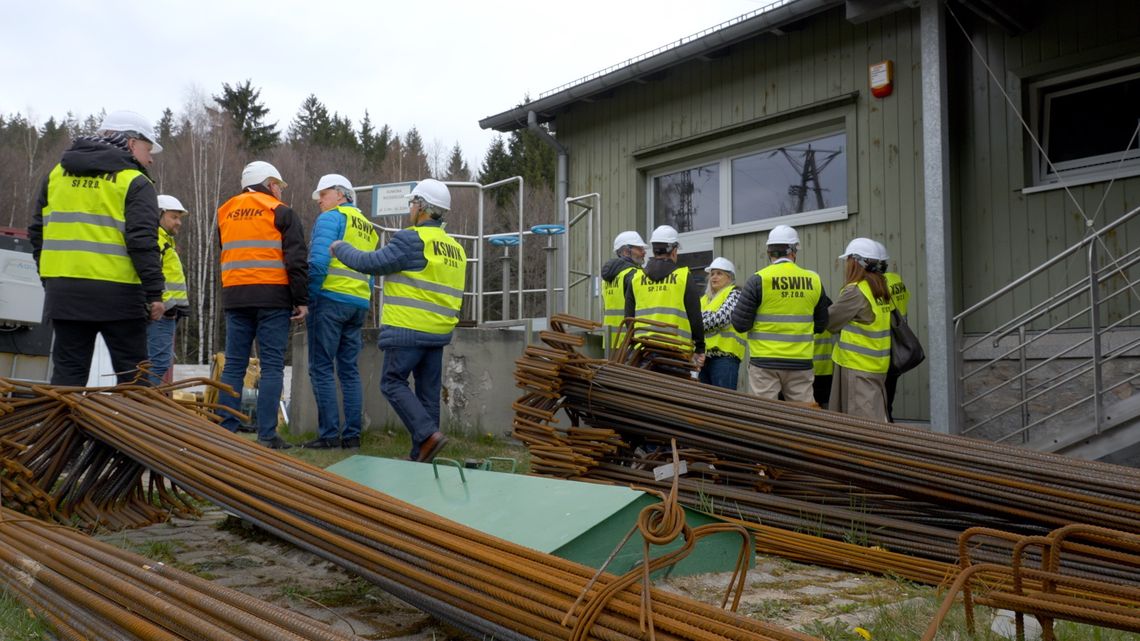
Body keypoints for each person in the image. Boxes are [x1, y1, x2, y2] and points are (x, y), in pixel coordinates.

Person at [331, 179, 464, 463]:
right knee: (427, 393)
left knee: (392, 382)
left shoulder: (411, 239)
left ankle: (427, 435)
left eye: (412, 203)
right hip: (438, 332)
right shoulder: (455, 248)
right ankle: (422, 455)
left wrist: (341, 248)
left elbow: (371, 263)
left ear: (422, 207)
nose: (410, 209)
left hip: (408, 329)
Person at [29, 110, 165, 386]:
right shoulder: (134, 181)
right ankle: (130, 430)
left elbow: (37, 233)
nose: (150, 158)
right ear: (130, 143)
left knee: (67, 377)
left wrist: (49, 279)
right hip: (120, 297)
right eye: (147, 149)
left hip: (64, 293)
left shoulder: (56, 175)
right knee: (134, 379)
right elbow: (142, 241)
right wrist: (155, 292)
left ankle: (63, 430)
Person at [216, 161, 309, 450]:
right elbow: (295, 260)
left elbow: (226, 250)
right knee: (271, 367)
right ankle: (267, 435)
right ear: (269, 184)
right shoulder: (281, 212)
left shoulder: (224, 211)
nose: (280, 191)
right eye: (279, 186)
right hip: (273, 298)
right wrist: (301, 300)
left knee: (233, 366)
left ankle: (227, 432)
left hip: (235, 296)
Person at [303, 174, 378, 450]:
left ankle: (329, 436)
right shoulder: (368, 227)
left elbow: (319, 263)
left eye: (323, 194)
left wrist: (308, 299)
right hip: (357, 304)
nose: (319, 201)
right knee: (349, 370)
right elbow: (370, 270)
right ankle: (352, 436)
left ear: (340, 194)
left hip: (330, 300)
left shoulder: (331, 219)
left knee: (321, 367)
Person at [731, 225, 827, 403]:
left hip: (765, 363)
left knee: (764, 417)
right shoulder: (814, 280)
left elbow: (740, 324)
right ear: (793, 251)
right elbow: (821, 325)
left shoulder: (759, 279)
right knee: (803, 417)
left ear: (769, 252)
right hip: (800, 362)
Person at [827, 238, 893, 421]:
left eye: (848, 260)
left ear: (856, 262)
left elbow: (830, 322)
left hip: (857, 368)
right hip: (877, 366)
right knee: (876, 417)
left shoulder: (855, 291)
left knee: (862, 427)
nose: (846, 265)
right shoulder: (880, 288)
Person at [624, 225, 705, 369]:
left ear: (654, 250)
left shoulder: (636, 279)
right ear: (674, 251)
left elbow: (628, 318)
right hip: (677, 353)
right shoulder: (683, 277)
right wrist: (700, 348)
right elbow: (695, 317)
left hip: (644, 353)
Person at [146, 194, 191, 385]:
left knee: (154, 363)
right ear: (160, 214)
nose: (179, 222)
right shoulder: (156, 240)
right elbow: (150, 274)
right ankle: (139, 406)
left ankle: (136, 404)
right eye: (174, 217)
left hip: (167, 312)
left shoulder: (164, 241)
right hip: (162, 313)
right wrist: (169, 305)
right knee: (157, 364)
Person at [699, 257, 745, 390]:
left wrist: (701, 321)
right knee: (705, 406)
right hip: (703, 359)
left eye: (719, 274)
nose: (714, 277)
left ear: (729, 278)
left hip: (725, 359)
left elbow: (721, 318)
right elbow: (690, 322)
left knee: (723, 404)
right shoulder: (704, 299)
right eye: (712, 274)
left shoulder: (735, 292)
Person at [600, 231, 648, 350]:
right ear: (626, 251)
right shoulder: (635, 275)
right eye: (639, 248)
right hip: (630, 342)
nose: (644, 252)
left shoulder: (606, 280)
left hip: (610, 341)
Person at [878, 241, 909, 421]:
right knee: (889, 398)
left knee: (881, 402)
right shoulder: (896, 280)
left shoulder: (880, 284)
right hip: (899, 346)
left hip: (883, 347)